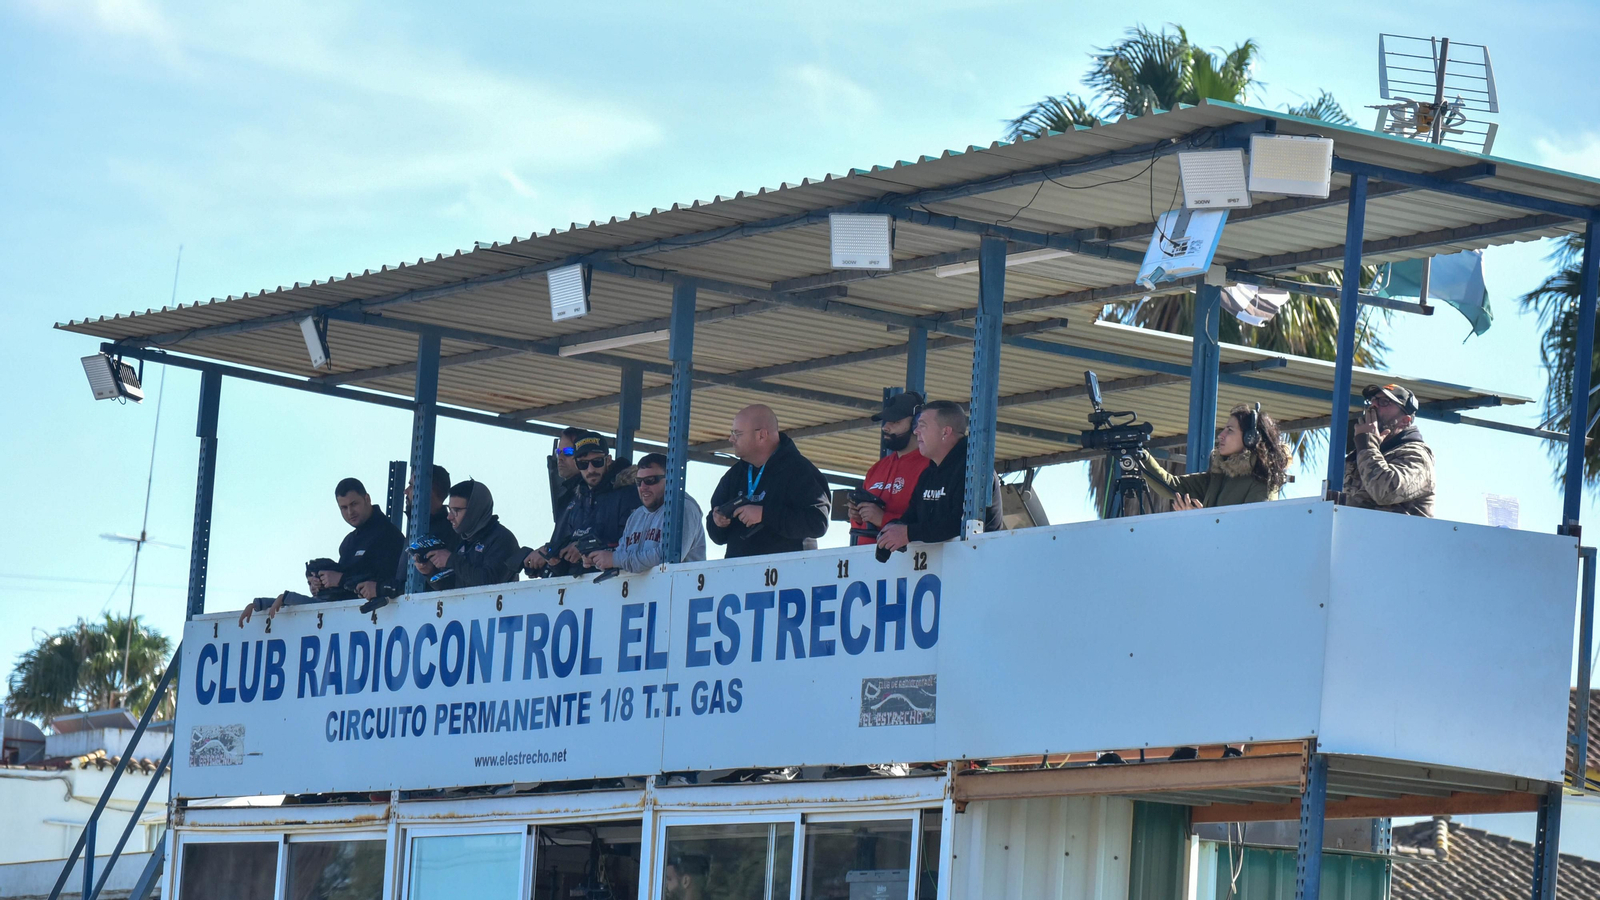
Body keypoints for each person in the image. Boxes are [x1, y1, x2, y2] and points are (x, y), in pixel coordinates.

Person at [239, 477, 404, 623]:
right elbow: (343, 595)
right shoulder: (348, 543)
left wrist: (339, 579)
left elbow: (384, 586)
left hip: (377, 620)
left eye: (354, 504)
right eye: (343, 507)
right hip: (351, 622)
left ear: (367, 499)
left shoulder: (388, 535)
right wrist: (320, 586)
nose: (350, 512)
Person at [876, 400, 1003, 552]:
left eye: (922, 425)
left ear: (945, 432)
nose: (916, 431)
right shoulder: (928, 474)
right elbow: (911, 516)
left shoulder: (973, 471)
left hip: (977, 565)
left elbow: (959, 523)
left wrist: (908, 533)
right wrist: (890, 532)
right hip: (941, 569)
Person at [706, 404, 831, 558]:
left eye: (737, 433)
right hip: (739, 575)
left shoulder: (800, 470)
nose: (731, 439)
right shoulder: (734, 475)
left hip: (789, 576)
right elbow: (716, 534)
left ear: (762, 435)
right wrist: (718, 522)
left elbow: (817, 523)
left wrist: (764, 514)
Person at [524, 432, 641, 576]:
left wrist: (586, 548)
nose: (591, 470)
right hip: (579, 589)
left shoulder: (628, 493)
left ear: (608, 460)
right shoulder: (577, 500)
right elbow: (571, 565)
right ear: (578, 465)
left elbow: (635, 544)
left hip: (621, 587)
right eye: (583, 464)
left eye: (597, 462)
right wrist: (556, 562)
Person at [1139, 404, 1290, 509]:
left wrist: (1202, 520)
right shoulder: (1217, 477)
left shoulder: (1263, 482)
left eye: (1229, 430)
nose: (1220, 436)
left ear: (1250, 438)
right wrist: (1139, 456)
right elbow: (1171, 484)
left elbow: (1249, 532)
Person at [585, 453, 707, 573]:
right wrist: (598, 559)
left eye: (650, 480)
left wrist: (614, 559)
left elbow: (668, 558)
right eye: (638, 481)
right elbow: (622, 557)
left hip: (680, 590)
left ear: (670, 480)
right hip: (641, 592)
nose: (643, 487)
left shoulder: (683, 508)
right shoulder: (636, 516)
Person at [849, 391, 931, 545]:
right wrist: (858, 517)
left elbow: (929, 523)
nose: (885, 427)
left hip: (910, 562)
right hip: (866, 560)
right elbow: (860, 527)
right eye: (885, 421)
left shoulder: (930, 466)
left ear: (916, 424)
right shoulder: (876, 469)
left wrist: (883, 519)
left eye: (895, 421)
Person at [1343, 383, 1435, 517]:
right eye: (1373, 400)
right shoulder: (1360, 454)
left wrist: (1367, 444)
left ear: (1405, 421)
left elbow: (1384, 492)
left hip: (1397, 536)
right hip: (1355, 535)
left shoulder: (1417, 455)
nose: (1374, 405)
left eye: (1384, 402)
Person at [424, 480, 522, 587]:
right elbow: (454, 589)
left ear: (474, 509)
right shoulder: (463, 540)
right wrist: (430, 572)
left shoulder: (502, 540)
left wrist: (451, 560)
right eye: (449, 509)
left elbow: (490, 583)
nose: (450, 517)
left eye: (456, 510)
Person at [395, 464, 454, 590]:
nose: (405, 491)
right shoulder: (413, 529)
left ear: (427, 491)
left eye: (411, 486)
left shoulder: (449, 531)